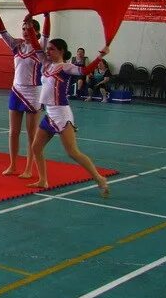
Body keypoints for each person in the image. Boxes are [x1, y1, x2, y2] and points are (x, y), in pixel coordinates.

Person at [29, 40, 110, 196]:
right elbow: (34, 42)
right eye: (47, 49)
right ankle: (43, 180)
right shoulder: (46, 65)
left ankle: (99, 178)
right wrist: (37, 20)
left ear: (61, 51)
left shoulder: (66, 67)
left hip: (61, 114)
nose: (48, 51)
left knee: (73, 152)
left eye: (51, 49)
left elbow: (85, 70)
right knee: (36, 148)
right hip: (49, 113)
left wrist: (100, 56)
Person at [0, 3, 50, 178]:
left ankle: (29, 168)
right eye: (23, 28)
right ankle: (13, 165)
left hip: (33, 93)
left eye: (28, 28)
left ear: (36, 32)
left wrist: (46, 16)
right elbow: (2, 32)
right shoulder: (16, 46)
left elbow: (46, 32)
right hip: (16, 91)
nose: (25, 31)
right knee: (13, 132)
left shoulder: (41, 48)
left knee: (31, 134)